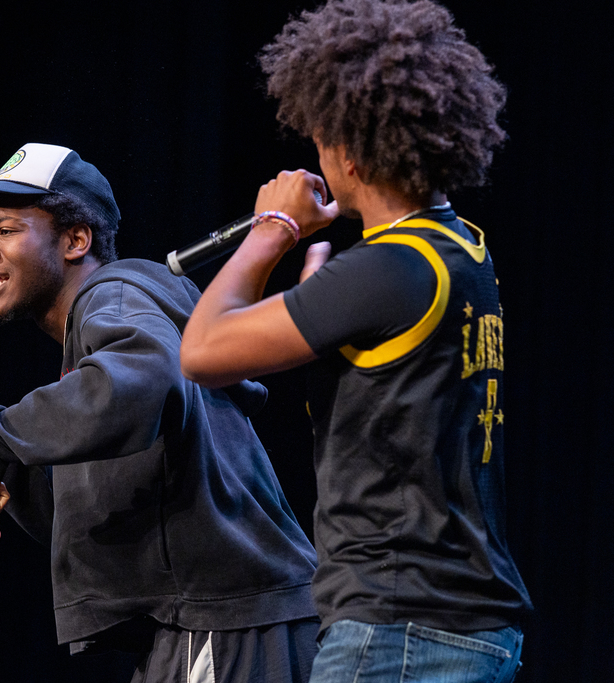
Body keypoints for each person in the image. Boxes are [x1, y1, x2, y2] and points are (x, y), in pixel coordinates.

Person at [179, 1, 533, 681]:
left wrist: (273, 229)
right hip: (458, 625)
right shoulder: (459, 250)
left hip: (401, 631)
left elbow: (202, 350)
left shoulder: (387, 268)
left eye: (318, 139)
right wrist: (321, 287)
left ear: (350, 149)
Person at [0, 142, 321, 682]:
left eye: (6, 230)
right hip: (198, 625)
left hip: (224, 620)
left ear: (75, 240)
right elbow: (91, 521)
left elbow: (148, 380)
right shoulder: (91, 360)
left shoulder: (114, 295)